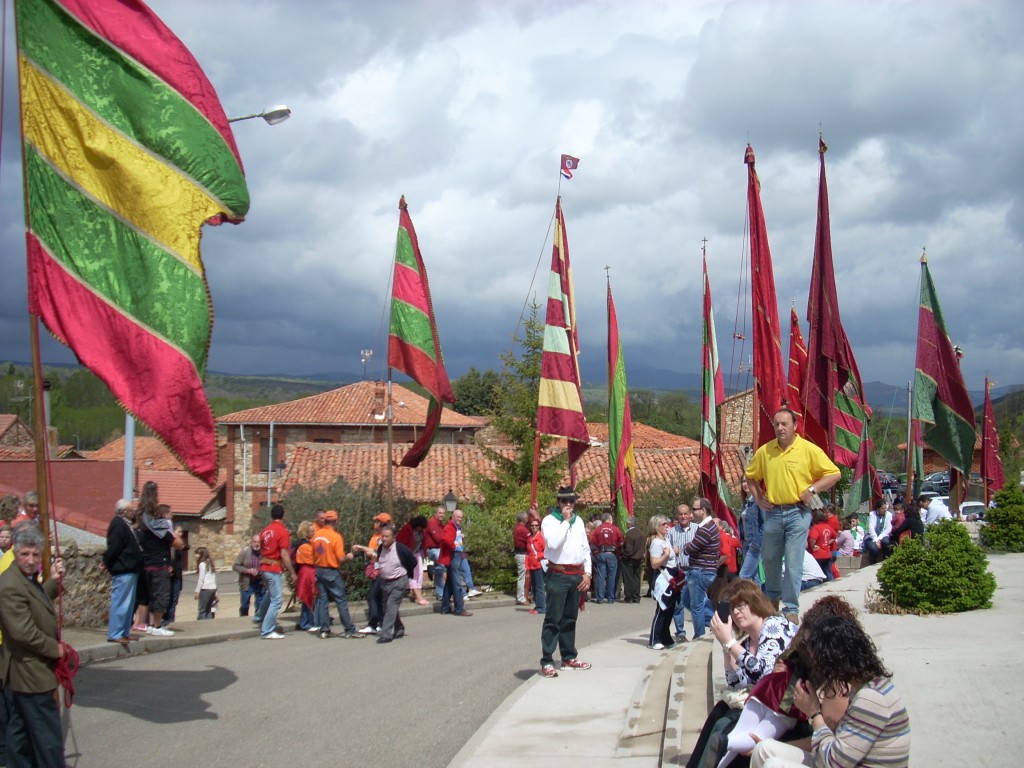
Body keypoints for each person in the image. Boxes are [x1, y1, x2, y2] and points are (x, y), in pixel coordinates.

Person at [716, 595, 858, 768]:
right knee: (734, 726)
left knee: (764, 756)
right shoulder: (806, 657)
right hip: (785, 705)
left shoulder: (838, 685)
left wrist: (813, 712)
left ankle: (728, 744)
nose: (808, 650)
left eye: (741, 606)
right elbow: (739, 681)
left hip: (812, 736)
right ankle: (726, 745)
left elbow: (828, 744)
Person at [750, 614, 910, 768]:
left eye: (819, 660)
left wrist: (814, 713)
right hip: (840, 759)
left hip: (836, 761)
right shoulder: (870, 685)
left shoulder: (871, 699)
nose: (818, 667)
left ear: (835, 660)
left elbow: (834, 762)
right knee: (764, 749)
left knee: (773, 765)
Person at [744, 408, 841, 622]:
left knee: (793, 559)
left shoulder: (808, 450)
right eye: (777, 424)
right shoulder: (766, 451)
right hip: (774, 513)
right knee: (769, 558)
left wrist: (812, 490)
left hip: (798, 511)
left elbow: (834, 473)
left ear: (795, 426)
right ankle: (772, 601)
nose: (780, 428)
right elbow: (750, 476)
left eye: (784, 424)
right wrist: (758, 497)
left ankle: (790, 608)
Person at [688, 579, 798, 768]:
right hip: (764, 702)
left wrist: (731, 643)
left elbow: (763, 673)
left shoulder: (775, 626)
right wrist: (725, 646)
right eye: (732, 609)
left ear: (755, 602)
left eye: (741, 605)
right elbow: (735, 682)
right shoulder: (747, 643)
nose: (736, 612)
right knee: (720, 712)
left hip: (786, 706)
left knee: (725, 724)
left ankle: (722, 750)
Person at [0, 526, 70, 768]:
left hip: (28, 671)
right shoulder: (9, 585)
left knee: (19, 733)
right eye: (24, 554)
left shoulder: (25, 579)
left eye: (35, 555)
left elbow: (38, 600)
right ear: (15, 552)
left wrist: (52, 582)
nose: (30, 561)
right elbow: (23, 632)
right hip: (30, 670)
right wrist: (55, 649)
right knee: (48, 736)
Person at [539, 486, 593, 678]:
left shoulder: (579, 522)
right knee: (553, 618)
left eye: (571, 501)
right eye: (564, 501)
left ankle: (568, 655)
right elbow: (553, 543)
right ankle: (547, 660)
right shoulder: (549, 521)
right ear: (558, 503)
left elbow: (585, 548)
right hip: (558, 573)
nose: (568, 504)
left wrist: (587, 573)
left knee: (570, 618)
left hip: (576, 573)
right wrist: (565, 521)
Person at [138, 484, 184, 636]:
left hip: (147, 563)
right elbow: (177, 544)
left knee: (152, 595)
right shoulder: (158, 524)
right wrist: (177, 538)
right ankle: (157, 626)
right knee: (161, 596)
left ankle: (151, 624)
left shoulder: (141, 521)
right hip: (160, 563)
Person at [311, 510, 362, 639]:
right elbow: (340, 559)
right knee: (341, 601)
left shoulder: (316, 535)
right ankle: (349, 630)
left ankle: (324, 629)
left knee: (323, 601)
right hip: (331, 571)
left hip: (319, 570)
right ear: (335, 521)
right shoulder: (336, 537)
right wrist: (349, 556)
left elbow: (313, 554)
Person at [101, 498, 141, 647]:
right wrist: (107, 561)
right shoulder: (118, 524)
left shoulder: (126, 524)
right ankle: (115, 633)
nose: (133, 513)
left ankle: (124, 631)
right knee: (121, 602)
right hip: (123, 568)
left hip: (131, 568)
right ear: (123, 511)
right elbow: (115, 546)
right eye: (131, 510)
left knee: (129, 603)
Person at [255, 504, 296, 640]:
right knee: (277, 600)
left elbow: (262, 549)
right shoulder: (282, 531)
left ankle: (259, 616)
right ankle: (267, 630)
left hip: (263, 566)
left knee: (270, 594)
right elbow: (284, 554)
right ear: (283, 515)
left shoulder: (265, 530)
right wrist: (292, 572)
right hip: (273, 568)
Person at [684, 497, 721, 640]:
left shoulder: (706, 529)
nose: (692, 513)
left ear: (703, 510)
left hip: (701, 571)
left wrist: (683, 547)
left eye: (694, 509)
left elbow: (691, 548)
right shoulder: (706, 527)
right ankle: (716, 623)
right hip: (700, 570)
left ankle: (699, 635)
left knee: (697, 606)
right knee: (687, 600)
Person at [374, 524, 417, 644]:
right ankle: (399, 627)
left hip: (399, 581)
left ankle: (386, 634)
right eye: (382, 536)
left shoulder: (401, 549)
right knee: (388, 607)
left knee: (391, 606)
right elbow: (379, 561)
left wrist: (407, 575)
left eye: (387, 536)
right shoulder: (380, 548)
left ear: (393, 538)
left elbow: (412, 562)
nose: (384, 539)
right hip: (385, 582)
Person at [647, 515, 680, 650]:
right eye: (664, 524)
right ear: (656, 527)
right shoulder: (656, 543)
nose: (667, 526)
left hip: (672, 575)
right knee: (662, 610)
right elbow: (654, 564)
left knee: (670, 610)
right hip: (663, 578)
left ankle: (666, 637)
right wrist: (666, 555)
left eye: (668, 524)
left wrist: (674, 552)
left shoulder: (666, 540)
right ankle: (655, 639)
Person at [668, 504, 698, 642]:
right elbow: (667, 551)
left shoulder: (698, 530)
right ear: (677, 516)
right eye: (680, 514)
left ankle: (700, 631)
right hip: (679, 572)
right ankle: (680, 633)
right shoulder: (672, 532)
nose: (683, 516)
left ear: (690, 514)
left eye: (686, 514)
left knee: (696, 603)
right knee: (678, 604)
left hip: (694, 570)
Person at [437, 509, 473, 616]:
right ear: (453, 517)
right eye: (458, 517)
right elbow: (445, 539)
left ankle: (445, 607)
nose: (460, 519)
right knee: (457, 583)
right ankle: (459, 609)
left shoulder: (456, 527)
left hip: (456, 554)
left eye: (461, 517)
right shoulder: (450, 527)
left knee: (450, 583)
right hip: (453, 555)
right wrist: (454, 547)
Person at [395, 515, 430, 605]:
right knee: (412, 575)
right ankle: (418, 597)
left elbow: (423, 542)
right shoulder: (407, 529)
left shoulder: (421, 531)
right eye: (420, 527)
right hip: (409, 554)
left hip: (417, 552)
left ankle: (418, 594)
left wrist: (424, 553)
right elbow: (401, 543)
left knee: (420, 574)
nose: (421, 529)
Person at [590, 512, 624, 603]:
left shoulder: (598, 529)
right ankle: (610, 598)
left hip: (601, 553)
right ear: (609, 519)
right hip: (612, 554)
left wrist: (596, 552)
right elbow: (621, 541)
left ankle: (600, 598)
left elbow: (593, 542)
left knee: (601, 576)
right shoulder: (615, 529)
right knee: (611, 577)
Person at [232, 534, 265, 616]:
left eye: (258, 542)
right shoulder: (245, 552)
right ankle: (243, 620)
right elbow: (235, 566)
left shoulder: (264, 553)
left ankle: (258, 620)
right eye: (254, 542)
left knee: (260, 605)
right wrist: (247, 571)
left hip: (260, 582)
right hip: (247, 582)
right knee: (244, 605)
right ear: (251, 542)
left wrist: (261, 571)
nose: (256, 544)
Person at [738, 480, 764, 581]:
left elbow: (765, 523)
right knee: (753, 576)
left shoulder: (758, 501)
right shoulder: (745, 504)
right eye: (743, 481)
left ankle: (758, 596)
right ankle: (757, 596)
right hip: (745, 543)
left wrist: (757, 542)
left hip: (755, 543)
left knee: (745, 575)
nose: (745, 484)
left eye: (747, 481)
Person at [164, 520, 188, 625]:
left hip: (177, 576)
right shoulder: (168, 545)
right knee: (167, 599)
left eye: (181, 532)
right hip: (169, 576)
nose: (181, 534)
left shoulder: (179, 545)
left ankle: (171, 620)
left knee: (174, 600)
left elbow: (186, 547)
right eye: (178, 531)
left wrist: (179, 540)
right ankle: (166, 619)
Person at [620, 515, 646, 603]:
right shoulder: (641, 533)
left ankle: (629, 596)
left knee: (628, 578)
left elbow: (629, 550)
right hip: (638, 558)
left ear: (629, 523)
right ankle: (636, 596)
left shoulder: (629, 534)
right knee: (636, 578)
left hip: (629, 559)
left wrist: (622, 551)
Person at [424, 505, 447, 601]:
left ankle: (440, 594)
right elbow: (438, 538)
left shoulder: (441, 524)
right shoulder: (432, 523)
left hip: (438, 549)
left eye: (443, 513)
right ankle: (431, 569)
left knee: (439, 572)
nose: (442, 515)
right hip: (433, 550)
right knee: (444, 565)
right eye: (440, 513)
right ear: (435, 514)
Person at [806, 509, 835, 582]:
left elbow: (812, 538)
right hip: (827, 554)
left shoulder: (816, 528)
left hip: (817, 554)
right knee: (828, 572)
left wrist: (813, 546)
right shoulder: (827, 527)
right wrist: (826, 543)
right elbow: (834, 536)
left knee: (817, 573)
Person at [525, 516, 546, 614]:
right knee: (533, 586)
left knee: (539, 586)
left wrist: (538, 556)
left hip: (539, 564)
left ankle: (541, 607)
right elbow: (528, 552)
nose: (534, 527)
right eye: (532, 525)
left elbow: (546, 551)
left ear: (539, 526)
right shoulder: (529, 538)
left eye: (536, 525)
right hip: (531, 564)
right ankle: (537, 605)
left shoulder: (541, 537)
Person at [193, 546, 218, 619]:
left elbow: (201, 579)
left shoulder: (202, 564)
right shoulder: (210, 563)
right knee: (208, 610)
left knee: (202, 610)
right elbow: (214, 577)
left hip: (205, 588)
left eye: (197, 554)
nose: (196, 556)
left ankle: (202, 626)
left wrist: (197, 591)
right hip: (212, 588)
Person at [514, 510, 531, 605]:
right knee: (522, 575)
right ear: (525, 519)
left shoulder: (518, 528)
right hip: (522, 554)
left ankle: (524, 594)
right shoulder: (522, 529)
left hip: (520, 554)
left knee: (524, 575)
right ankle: (521, 597)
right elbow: (530, 539)